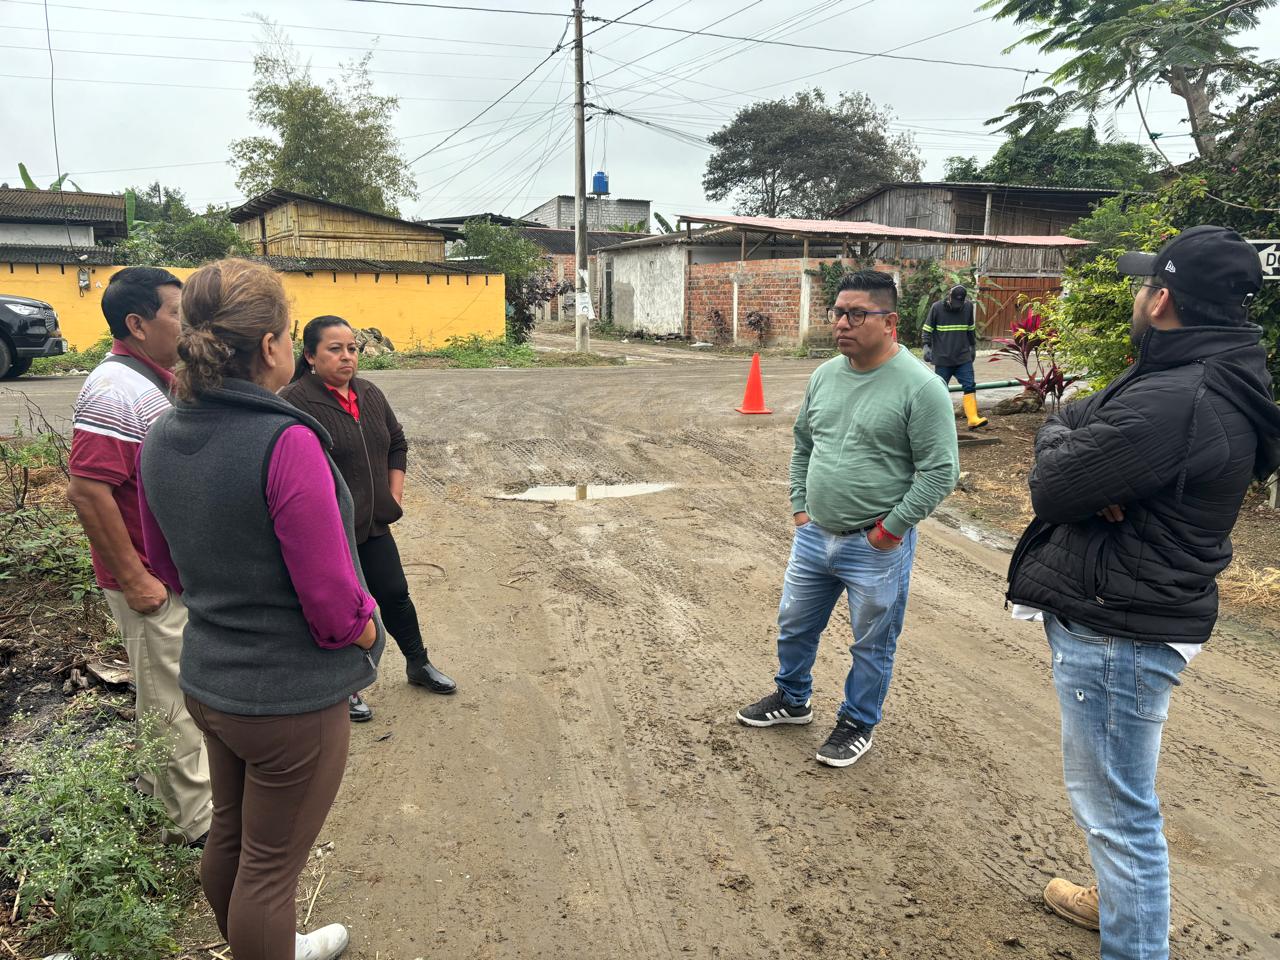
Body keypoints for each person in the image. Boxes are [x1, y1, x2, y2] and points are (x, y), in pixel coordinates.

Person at [1006, 226, 1280, 960]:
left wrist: (1071, 453)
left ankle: (1133, 938)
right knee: (1116, 802)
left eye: (1143, 284)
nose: (1136, 295)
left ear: (1161, 300)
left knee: (1119, 816)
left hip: (1118, 631)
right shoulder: (1196, 372)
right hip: (1129, 612)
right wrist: (1077, 444)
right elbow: (1072, 421)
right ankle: (1117, 904)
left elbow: (1053, 486)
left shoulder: (1179, 397)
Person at [138, 259, 385, 960]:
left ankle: (269, 945)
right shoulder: (285, 441)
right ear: (273, 345)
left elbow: (164, 566)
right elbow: (332, 603)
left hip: (210, 681)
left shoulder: (163, 433)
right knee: (271, 872)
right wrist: (369, 631)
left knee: (232, 836)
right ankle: (271, 944)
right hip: (288, 700)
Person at [737, 270, 959, 767]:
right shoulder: (825, 375)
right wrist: (800, 505)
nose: (842, 323)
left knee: (872, 643)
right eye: (838, 312)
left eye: (857, 314)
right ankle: (793, 699)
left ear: (890, 322)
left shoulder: (920, 387)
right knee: (794, 625)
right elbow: (804, 443)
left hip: (875, 544)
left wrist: (891, 530)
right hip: (814, 534)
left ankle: (858, 722)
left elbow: (941, 471)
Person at [65, 266, 212, 845]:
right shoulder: (114, 388)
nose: (187, 324)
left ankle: (159, 790)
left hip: (166, 573)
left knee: (165, 690)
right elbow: (87, 491)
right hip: (147, 579)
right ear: (138, 323)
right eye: (177, 313)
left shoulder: (156, 379)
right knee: (173, 701)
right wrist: (135, 579)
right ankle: (194, 826)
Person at [280, 316, 457, 724]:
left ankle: (418, 663)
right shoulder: (294, 402)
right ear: (310, 356)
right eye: (334, 349)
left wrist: (394, 495)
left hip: (373, 526)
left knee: (395, 594)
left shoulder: (369, 393)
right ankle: (346, 687)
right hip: (328, 534)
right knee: (340, 609)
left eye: (352, 349)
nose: (347, 357)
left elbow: (396, 442)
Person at [922, 283, 988, 429]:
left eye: (960, 303)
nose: (958, 306)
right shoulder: (937, 308)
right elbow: (927, 329)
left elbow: (970, 329)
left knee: (969, 385)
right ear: (949, 297)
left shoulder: (968, 307)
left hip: (962, 357)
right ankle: (938, 420)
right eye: (955, 302)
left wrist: (972, 347)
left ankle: (973, 418)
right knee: (940, 389)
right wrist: (926, 346)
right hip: (943, 358)